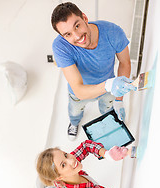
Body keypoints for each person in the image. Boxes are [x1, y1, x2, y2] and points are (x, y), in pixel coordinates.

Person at [51, 2, 136, 140]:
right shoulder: (60, 46)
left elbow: (125, 62)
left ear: (84, 17)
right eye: (68, 34)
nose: (77, 36)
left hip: (109, 87)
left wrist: (119, 99)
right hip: (81, 93)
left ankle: (108, 115)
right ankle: (74, 123)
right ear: (63, 36)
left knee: (107, 109)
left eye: (77, 26)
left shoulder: (113, 32)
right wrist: (108, 85)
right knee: (75, 112)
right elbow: (79, 90)